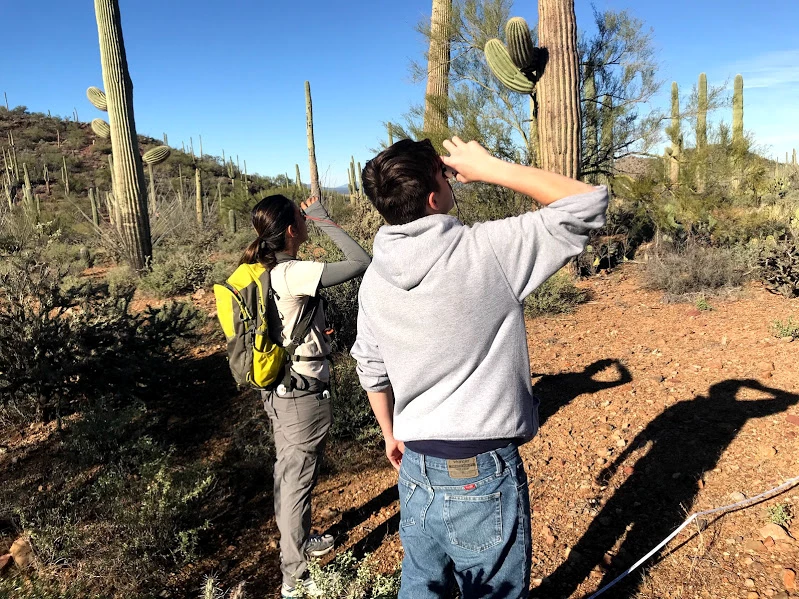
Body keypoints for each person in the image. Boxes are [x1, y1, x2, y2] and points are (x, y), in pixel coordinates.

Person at [351, 136, 608, 598]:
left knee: (420, 589)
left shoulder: (373, 278)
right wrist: (491, 167)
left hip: (415, 469)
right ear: (435, 197)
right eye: (445, 176)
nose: (453, 181)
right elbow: (587, 203)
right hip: (480, 471)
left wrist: (390, 434)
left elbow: (371, 367)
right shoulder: (487, 250)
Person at [240, 194, 371, 598]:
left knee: (289, 475)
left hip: (281, 388)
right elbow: (359, 261)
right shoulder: (293, 272)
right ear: (293, 230)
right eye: (302, 217)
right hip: (300, 394)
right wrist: (324, 217)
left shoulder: (261, 269)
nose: (306, 219)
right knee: (296, 482)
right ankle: (295, 579)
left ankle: (298, 546)